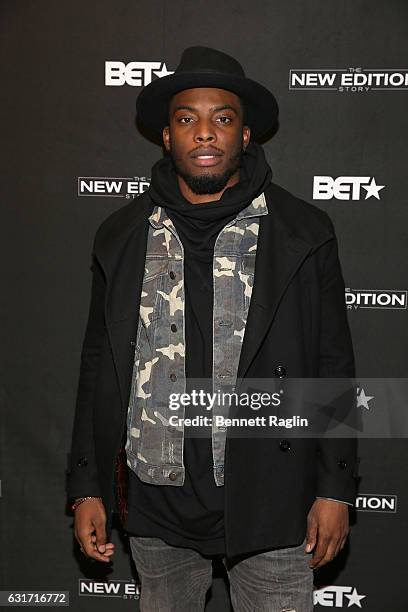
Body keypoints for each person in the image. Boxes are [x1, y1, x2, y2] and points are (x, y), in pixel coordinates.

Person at [66, 46, 359, 611]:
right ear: (166, 137)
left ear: (245, 135)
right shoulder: (122, 235)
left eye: (222, 118)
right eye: (187, 119)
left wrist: (334, 487)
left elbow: (333, 365)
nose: (205, 133)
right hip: (157, 499)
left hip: (273, 500)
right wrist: (86, 485)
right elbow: (98, 365)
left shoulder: (303, 231)